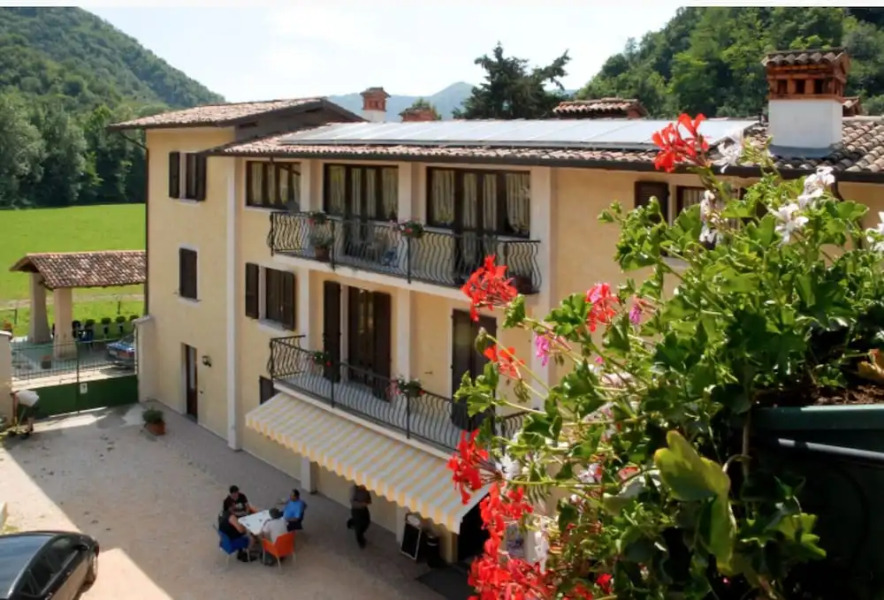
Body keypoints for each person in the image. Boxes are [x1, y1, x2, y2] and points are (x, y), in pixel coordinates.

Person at [346, 483, 372, 549]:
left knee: (366, 522)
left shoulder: (366, 489)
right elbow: (352, 502)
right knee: (359, 527)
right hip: (356, 510)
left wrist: (367, 502)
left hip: (364, 509)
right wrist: (361, 504)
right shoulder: (354, 489)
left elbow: (369, 499)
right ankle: (360, 541)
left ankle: (352, 522)